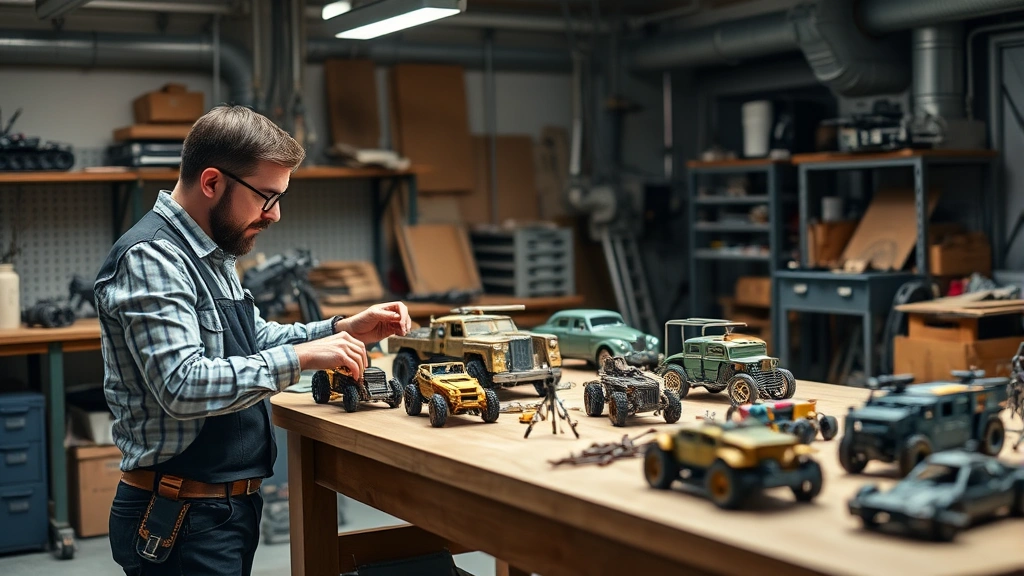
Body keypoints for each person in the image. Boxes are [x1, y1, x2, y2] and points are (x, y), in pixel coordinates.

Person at [94, 104, 411, 576]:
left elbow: (251, 337)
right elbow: (182, 385)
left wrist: (340, 329)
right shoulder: (152, 257)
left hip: (220, 511)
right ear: (211, 183)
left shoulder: (210, 254)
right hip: (180, 514)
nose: (275, 214)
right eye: (266, 196)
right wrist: (302, 358)